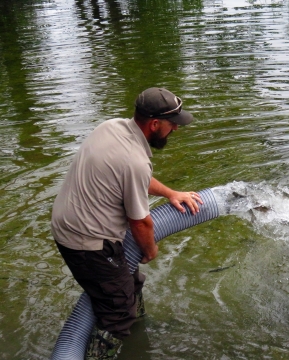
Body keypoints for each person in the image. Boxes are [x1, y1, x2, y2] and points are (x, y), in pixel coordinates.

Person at [51, 87, 203, 360]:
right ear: (155, 124)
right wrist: (150, 250)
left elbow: (129, 178)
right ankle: (103, 351)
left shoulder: (111, 127)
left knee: (130, 283)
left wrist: (171, 193)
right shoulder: (135, 160)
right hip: (87, 242)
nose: (176, 131)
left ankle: (135, 327)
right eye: (172, 125)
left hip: (67, 222)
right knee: (119, 310)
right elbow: (141, 223)